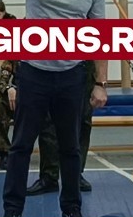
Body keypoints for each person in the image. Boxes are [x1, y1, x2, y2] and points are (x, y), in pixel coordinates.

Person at [0, 0, 108, 217]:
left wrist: (100, 84)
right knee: (21, 146)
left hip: (71, 77)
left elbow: (100, 39)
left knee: (70, 147)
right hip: (34, 75)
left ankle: (72, 208)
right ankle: (12, 211)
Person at [26, 59, 97, 194]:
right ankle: (49, 175)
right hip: (53, 64)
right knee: (48, 123)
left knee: (82, 122)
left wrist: (101, 82)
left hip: (84, 65)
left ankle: (76, 174)